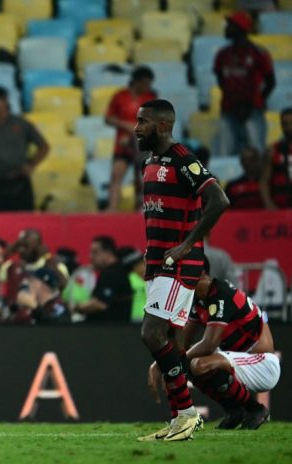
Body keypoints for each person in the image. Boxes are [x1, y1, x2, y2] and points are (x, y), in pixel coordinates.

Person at [136, 99, 230, 442]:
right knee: (172, 339)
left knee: (151, 334)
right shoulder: (151, 161)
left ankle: (188, 414)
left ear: (163, 125)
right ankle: (181, 419)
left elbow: (219, 200)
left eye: (143, 122)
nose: (136, 128)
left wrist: (188, 244)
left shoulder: (182, 159)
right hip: (158, 263)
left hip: (178, 265)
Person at [183, 259, 277, 430]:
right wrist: (164, 361)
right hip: (239, 359)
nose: (181, 282)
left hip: (262, 363)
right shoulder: (199, 299)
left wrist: (178, 358)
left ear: (202, 275)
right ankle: (234, 411)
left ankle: (256, 410)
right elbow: (184, 342)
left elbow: (209, 344)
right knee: (187, 366)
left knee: (199, 363)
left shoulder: (221, 294)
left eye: (184, 276)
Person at [214, 11, 275, 156]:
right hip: (229, 111)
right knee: (224, 154)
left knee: (256, 152)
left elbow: (271, 82)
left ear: (240, 28)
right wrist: (232, 101)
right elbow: (221, 80)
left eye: (230, 25)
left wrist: (256, 102)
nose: (226, 28)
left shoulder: (258, 53)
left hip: (252, 112)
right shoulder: (223, 54)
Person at [105, 66, 157, 212]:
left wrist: (135, 129)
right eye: (145, 83)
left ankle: (139, 209)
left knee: (140, 178)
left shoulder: (150, 98)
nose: (148, 87)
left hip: (142, 144)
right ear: (137, 81)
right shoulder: (120, 96)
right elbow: (108, 118)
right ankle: (112, 208)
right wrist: (125, 125)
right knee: (116, 175)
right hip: (122, 144)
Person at [74, 236, 133, 323]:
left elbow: (100, 304)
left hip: (111, 330)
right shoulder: (112, 271)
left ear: (108, 253)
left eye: (95, 252)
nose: (90, 257)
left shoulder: (113, 273)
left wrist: (77, 308)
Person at [260, 107, 292, 210]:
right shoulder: (273, 150)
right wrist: (268, 203)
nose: (288, 128)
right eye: (285, 124)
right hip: (280, 208)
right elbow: (265, 180)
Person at [117, 247, 147, 323]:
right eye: (139, 264)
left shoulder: (154, 278)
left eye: (143, 261)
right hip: (134, 320)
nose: (144, 265)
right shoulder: (128, 280)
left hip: (152, 319)